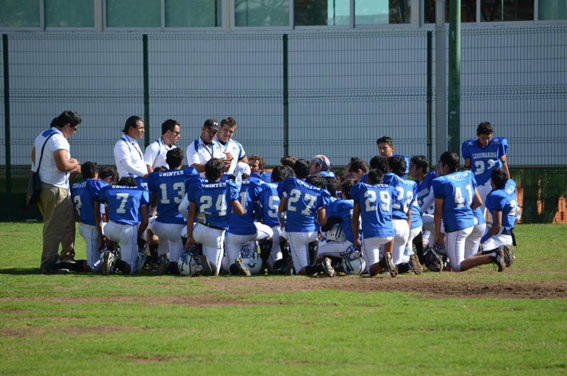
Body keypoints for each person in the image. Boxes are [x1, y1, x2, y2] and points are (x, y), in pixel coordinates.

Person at [432, 151, 506, 272]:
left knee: (457, 266)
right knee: (465, 259)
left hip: (456, 225)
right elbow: (478, 202)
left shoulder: (440, 182)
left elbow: (438, 213)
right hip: (470, 222)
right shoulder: (468, 175)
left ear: (445, 166)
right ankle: (493, 252)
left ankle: (493, 256)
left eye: (440, 164)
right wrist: (465, 211)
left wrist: (437, 235)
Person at [31, 111, 82, 274]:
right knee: (54, 228)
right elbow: (63, 166)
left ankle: (66, 258)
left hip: (44, 184)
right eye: (74, 129)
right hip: (55, 187)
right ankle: (48, 264)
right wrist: (74, 163)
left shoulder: (43, 135)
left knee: (66, 223)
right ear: (67, 126)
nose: (74, 132)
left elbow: (33, 156)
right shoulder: (59, 139)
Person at [185, 158, 245, 276]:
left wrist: (189, 236)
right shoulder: (228, 185)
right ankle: (209, 268)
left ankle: (200, 264)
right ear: (222, 174)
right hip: (216, 233)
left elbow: (191, 214)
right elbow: (240, 211)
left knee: (208, 254)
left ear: (205, 174)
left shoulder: (197, 186)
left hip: (199, 230)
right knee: (215, 273)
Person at [146, 148, 200, 274]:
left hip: (159, 225)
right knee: (176, 263)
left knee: (151, 228)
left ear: (166, 161)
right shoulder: (189, 173)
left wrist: (152, 213)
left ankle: (159, 259)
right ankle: (172, 263)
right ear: (182, 161)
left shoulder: (155, 176)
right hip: (177, 226)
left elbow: (154, 198)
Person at [277, 159, 331, 275]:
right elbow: (323, 221)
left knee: (301, 270)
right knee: (315, 238)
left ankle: (319, 267)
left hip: (295, 232)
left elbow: (281, 209)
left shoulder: (291, 182)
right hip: (313, 233)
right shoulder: (320, 192)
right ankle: (316, 262)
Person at [96, 177, 150, 275]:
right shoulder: (140, 191)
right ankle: (114, 261)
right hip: (128, 230)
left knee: (111, 237)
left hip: (110, 228)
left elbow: (104, 211)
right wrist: (136, 236)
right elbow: (145, 221)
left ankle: (109, 253)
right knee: (130, 269)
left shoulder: (109, 190)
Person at [225, 168, 272, 276]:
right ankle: (264, 263)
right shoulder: (254, 185)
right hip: (250, 230)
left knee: (229, 265)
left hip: (232, 232)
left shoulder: (228, 185)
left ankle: (237, 268)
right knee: (270, 231)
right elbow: (258, 211)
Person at [350, 169, 397, 277]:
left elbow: (355, 218)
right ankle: (388, 260)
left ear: (368, 179)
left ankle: (384, 262)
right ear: (381, 180)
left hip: (371, 233)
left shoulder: (361, 188)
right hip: (389, 232)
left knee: (372, 271)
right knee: (387, 255)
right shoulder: (389, 189)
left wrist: (356, 237)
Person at [462, 121, 509, 214]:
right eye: (483, 138)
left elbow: (504, 163)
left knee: (497, 210)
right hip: (478, 181)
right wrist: (465, 182)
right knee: (478, 212)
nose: (486, 141)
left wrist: (508, 180)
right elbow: (467, 165)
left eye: (488, 138)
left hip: (493, 182)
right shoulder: (469, 146)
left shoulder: (498, 143)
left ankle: (501, 228)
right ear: (478, 135)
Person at [71, 162, 110, 272]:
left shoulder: (74, 186)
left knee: (97, 262)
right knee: (94, 267)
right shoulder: (95, 185)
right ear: (96, 173)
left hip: (82, 225)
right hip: (92, 227)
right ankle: (64, 264)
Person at [257, 165, 294, 271]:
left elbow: (259, 210)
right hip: (287, 230)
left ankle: (268, 265)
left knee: (272, 265)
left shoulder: (265, 187)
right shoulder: (290, 188)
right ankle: (285, 262)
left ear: (272, 178)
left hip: (270, 231)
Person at [481, 168, 518, 267]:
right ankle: (505, 251)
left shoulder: (496, 196)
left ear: (492, 182)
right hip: (508, 234)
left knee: (474, 253)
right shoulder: (510, 184)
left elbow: (497, 225)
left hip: (499, 236)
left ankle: (498, 252)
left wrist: (483, 240)